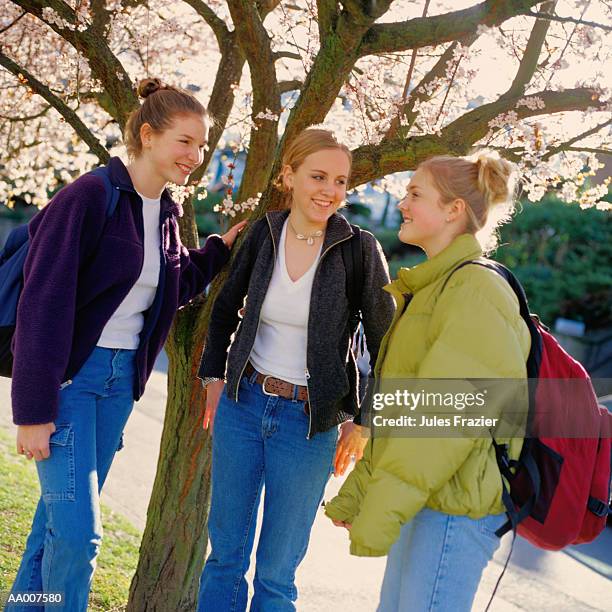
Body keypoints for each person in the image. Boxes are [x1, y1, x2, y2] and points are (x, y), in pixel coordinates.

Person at [8, 78, 245, 612]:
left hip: (117, 390)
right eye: (185, 141)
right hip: (70, 385)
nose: (196, 155)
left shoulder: (163, 211)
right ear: (147, 134)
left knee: (52, 532)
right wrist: (33, 410)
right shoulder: (90, 196)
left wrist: (218, 252)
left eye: (202, 145)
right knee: (78, 536)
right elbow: (43, 306)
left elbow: (168, 286)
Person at [196, 128, 395, 611]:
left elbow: (386, 341)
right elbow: (224, 310)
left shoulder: (358, 249)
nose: (330, 190)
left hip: (309, 426)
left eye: (340, 181)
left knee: (277, 575)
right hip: (243, 407)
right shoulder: (264, 233)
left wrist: (363, 421)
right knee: (224, 558)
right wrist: (212, 379)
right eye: (318, 176)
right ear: (289, 175)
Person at [324, 150, 531, 611]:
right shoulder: (438, 286)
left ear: (453, 209)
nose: (402, 203)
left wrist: (378, 512)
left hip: (455, 511)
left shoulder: (474, 290)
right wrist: (359, 496)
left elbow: (443, 421)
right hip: (432, 499)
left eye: (416, 194)